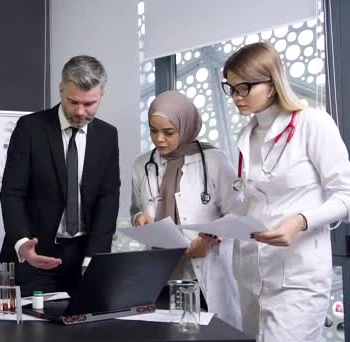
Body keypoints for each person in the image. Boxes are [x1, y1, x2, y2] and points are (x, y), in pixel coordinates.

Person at [222, 42, 350, 341]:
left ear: (271, 83)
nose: (235, 98)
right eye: (230, 88)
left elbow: (346, 195)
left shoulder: (312, 123)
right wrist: (224, 224)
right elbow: (254, 202)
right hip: (251, 277)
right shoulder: (246, 136)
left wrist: (300, 221)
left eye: (244, 88)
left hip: (298, 277)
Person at [0, 55, 120, 296]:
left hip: (84, 257)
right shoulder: (30, 128)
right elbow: (12, 192)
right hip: (35, 256)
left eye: (90, 104)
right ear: (60, 89)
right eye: (73, 101)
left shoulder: (108, 136)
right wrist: (23, 244)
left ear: (101, 95)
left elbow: (108, 199)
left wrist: (94, 257)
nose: (80, 112)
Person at [130, 90, 242, 329]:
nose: (159, 139)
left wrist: (210, 238)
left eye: (169, 132)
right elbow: (136, 209)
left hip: (207, 273)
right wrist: (140, 218)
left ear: (187, 125)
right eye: (153, 130)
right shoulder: (143, 165)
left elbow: (238, 212)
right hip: (161, 276)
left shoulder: (214, 160)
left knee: (210, 332)